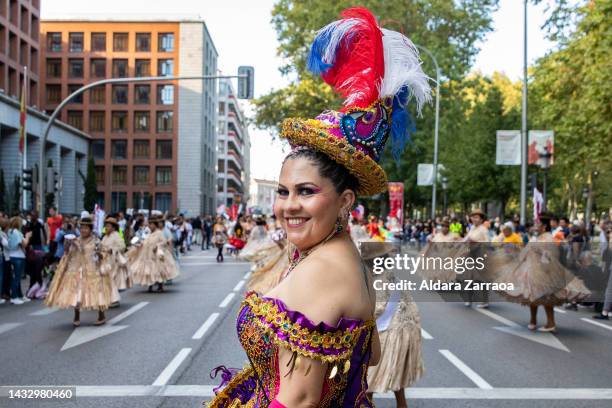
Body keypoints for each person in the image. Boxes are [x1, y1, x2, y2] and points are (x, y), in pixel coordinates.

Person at [208, 7, 430, 407]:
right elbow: (373, 354)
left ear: (345, 200)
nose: (288, 206)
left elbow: (300, 400)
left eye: (306, 191)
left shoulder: (324, 270)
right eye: (283, 191)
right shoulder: (345, 259)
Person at [45, 216, 111, 326]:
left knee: (97, 292)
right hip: (78, 270)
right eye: (82, 228)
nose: (83, 230)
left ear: (90, 229)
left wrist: (99, 254)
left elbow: (104, 253)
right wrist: (68, 244)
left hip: (93, 271)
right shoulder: (75, 240)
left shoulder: (96, 241)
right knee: (77, 293)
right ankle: (76, 316)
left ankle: (101, 315)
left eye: (86, 228)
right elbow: (68, 254)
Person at [129, 215, 178, 292]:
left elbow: (164, 242)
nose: (150, 226)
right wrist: (140, 244)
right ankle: (150, 285)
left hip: (157, 254)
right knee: (150, 270)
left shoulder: (159, 233)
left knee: (159, 270)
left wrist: (157, 246)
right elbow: (146, 242)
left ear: (155, 225)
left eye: (152, 224)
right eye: (149, 224)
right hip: (148, 255)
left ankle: (160, 286)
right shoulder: (148, 233)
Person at [100, 217, 130, 307]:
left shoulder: (116, 235)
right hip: (105, 261)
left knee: (111, 280)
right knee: (105, 280)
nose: (106, 228)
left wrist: (112, 250)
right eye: (106, 226)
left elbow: (122, 247)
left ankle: (114, 300)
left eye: (108, 226)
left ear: (113, 227)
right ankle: (108, 298)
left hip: (113, 261)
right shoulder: (105, 237)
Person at [7, 216, 32, 305]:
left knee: (16, 277)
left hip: (12, 255)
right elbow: (24, 244)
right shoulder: (17, 232)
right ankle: (14, 297)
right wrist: (27, 237)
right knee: (17, 278)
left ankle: (20, 295)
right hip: (18, 256)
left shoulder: (10, 231)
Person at [0, 217, 10, 305]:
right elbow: (6, 244)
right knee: (2, 276)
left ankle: (4, 293)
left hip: (4, 256)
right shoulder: (2, 234)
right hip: (4, 256)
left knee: (4, 276)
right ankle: (2, 294)